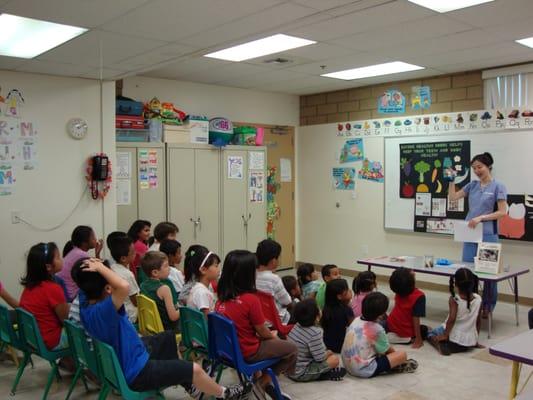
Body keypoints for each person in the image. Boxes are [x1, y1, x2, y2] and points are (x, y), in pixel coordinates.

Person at [71, 258, 249, 399]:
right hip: (137, 372)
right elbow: (124, 286)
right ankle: (224, 394)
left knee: (167, 338)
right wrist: (102, 269)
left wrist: (96, 267)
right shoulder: (103, 311)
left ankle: (191, 385)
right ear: (107, 288)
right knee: (194, 369)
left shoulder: (86, 302)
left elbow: (84, 278)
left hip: (130, 356)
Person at [216, 250, 297, 400]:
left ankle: (260, 381)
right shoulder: (251, 300)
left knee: (273, 343)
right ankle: (261, 383)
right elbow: (262, 330)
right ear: (247, 274)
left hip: (227, 351)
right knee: (291, 349)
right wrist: (272, 337)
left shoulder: (221, 298)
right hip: (247, 351)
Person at [448, 152, 507, 317]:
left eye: (480, 167)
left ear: (489, 167)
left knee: (488, 273)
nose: (477, 170)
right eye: (474, 168)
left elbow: (502, 212)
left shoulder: (498, 186)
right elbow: (453, 198)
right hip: (470, 233)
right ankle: (469, 303)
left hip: (488, 234)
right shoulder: (472, 186)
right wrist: (451, 181)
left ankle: (487, 307)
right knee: (467, 272)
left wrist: (482, 217)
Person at [342, 292, 418, 378]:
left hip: (347, 364)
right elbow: (388, 350)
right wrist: (397, 359)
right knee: (402, 354)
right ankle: (395, 366)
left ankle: (388, 365)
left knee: (376, 347)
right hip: (363, 369)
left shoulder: (356, 320)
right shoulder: (377, 329)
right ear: (381, 314)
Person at [19, 243, 70, 350]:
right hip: (51, 341)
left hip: (33, 339)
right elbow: (66, 321)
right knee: (87, 331)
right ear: (48, 267)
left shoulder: (29, 287)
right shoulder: (53, 289)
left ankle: (67, 361)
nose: (61, 260)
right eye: (58, 257)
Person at [287, 299, 346, 382]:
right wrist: (328, 353)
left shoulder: (297, 325)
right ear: (317, 317)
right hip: (300, 373)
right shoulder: (315, 332)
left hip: (288, 369)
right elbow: (320, 358)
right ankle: (324, 374)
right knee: (334, 359)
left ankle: (323, 373)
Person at [428, 268, 482, 356]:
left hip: (453, 339)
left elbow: (451, 319)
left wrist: (445, 335)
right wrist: (475, 340)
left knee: (429, 332)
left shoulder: (455, 299)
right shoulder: (479, 299)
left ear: (456, 284)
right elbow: (478, 321)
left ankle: (439, 345)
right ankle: (448, 344)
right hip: (469, 342)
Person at [58, 225, 103, 301]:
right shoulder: (81, 255)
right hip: (71, 295)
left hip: (64, 292)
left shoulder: (75, 251)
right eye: (93, 237)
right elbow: (99, 273)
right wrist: (97, 254)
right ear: (84, 243)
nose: (96, 239)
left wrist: (97, 254)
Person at [386, 268, 428, 348]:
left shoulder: (399, 288)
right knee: (425, 330)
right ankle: (407, 339)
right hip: (406, 330)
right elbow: (416, 318)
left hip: (391, 323)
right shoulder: (419, 296)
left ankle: (394, 336)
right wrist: (418, 338)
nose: (412, 271)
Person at [140, 251, 180, 331]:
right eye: (166, 266)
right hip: (168, 330)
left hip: (152, 328)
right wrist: (183, 309)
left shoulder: (143, 285)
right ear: (155, 272)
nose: (169, 268)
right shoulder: (164, 289)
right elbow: (173, 316)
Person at [255, 239, 292, 324]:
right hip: (277, 320)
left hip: (260, 318)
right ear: (273, 261)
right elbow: (287, 302)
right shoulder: (274, 279)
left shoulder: (252, 274)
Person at [182, 245, 220, 316]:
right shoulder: (202, 293)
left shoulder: (198, 288)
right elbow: (206, 321)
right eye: (216, 266)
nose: (219, 270)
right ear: (203, 270)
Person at [109, 236, 139, 324]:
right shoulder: (127, 274)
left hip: (116, 310)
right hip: (130, 314)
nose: (136, 253)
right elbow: (136, 301)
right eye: (133, 252)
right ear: (123, 258)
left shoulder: (111, 268)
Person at [321, 279, 354, 353]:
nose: (350, 291)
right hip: (341, 346)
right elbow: (353, 326)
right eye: (347, 291)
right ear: (339, 296)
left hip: (327, 343)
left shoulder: (326, 308)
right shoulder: (347, 310)